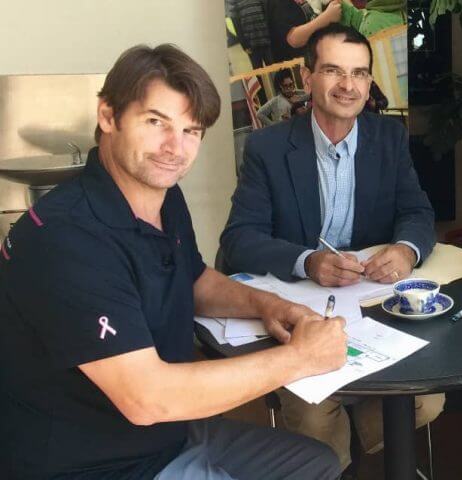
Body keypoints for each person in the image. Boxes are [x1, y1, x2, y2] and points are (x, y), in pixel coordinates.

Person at [0, 44, 347, 480]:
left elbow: (193, 278)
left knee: (318, 464)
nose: (174, 148)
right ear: (108, 116)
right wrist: (302, 358)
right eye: (155, 122)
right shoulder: (65, 236)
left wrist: (270, 307)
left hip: (168, 435)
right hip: (95, 462)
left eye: (191, 130)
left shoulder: (163, 196)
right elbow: (147, 398)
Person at [220, 24, 444, 472]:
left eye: (359, 74)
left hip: (374, 310)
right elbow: (238, 239)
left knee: (427, 400)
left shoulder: (389, 138)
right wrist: (308, 261)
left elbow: (418, 212)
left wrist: (404, 250)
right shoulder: (267, 148)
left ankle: (354, 451)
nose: (348, 85)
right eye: (334, 71)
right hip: (303, 314)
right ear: (307, 79)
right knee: (315, 419)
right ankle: (334, 461)